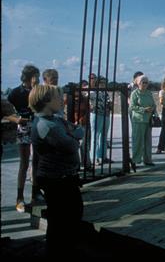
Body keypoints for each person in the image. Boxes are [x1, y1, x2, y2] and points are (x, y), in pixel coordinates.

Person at [29, 84, 84, 257]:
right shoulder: (47, 125)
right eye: (57, 97)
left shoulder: (55, 120)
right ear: (46, 101)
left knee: (71, 215)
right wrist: (73, 136)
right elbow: (71, 144)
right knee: (61, 221)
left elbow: (77, 130)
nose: (62, 100)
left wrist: (72, 134)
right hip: (57, 179)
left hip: (64, 177)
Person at [5, 64, 43, 212]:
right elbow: (5, 112)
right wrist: (16, 120)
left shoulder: (39, 91)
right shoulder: (15, 93)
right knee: (24, 163)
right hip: (24, 128)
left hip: (38, 127)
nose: (38, 79)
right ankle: (19, 197)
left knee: (37, 161)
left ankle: (36, 193)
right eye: (36, 76)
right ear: (29, 77)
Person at [130, 75, 156, 169]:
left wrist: (153, 111)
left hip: (148, 120)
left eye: (146, 82)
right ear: (138, 83)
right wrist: (143, 109)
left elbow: (153, 104)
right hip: (138, 120)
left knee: (148, 141)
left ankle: (148, 160)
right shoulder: (134, 93)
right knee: (138, 141)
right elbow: (132, 106)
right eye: (143, 82)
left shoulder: (149, 93)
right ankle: (135, 160)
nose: (145, 84)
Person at [89, 76, 112, 166]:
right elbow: (92, 104)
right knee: (95, 135)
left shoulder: (105, 93)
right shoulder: (93, 92)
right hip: (96, 114)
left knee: (104, 136)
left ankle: (103, 156)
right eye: (101, 83)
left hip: (105, 114)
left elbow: (109, 102)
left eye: (104, 83)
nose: (103, 85)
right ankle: (94, 157)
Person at [74, 80, 91, 170]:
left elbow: (88, 111)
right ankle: (76, 165)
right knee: (74, 145)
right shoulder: (70, 99)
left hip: (83, 124)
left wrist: (82, 119)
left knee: (84, 144)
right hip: (73, 125)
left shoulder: (84, 99)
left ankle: (86, 163)